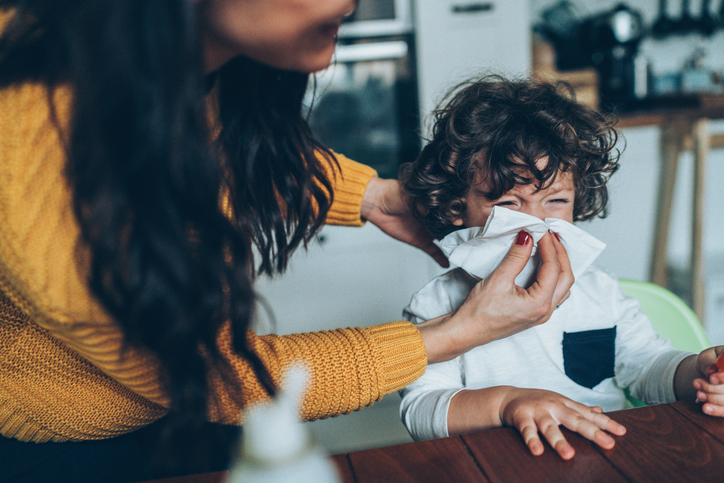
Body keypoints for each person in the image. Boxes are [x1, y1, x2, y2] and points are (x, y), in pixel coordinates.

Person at [0, 1, 575, 480]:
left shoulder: (183, 56)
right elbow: (218, 376)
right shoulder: (33, 157)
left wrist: (372, 197)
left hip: (195, 417)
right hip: (67, 450)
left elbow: (229, 153)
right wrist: (456, 332)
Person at [397, 75, 724, 461]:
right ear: (456, 206)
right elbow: (421, 408)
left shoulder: (598, 291)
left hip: (607, 456)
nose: (535, 226)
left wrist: (698, 374)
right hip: (496, 465)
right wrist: (506, 404)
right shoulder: (436, 306)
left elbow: (647, 367)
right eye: (508, 205)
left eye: (555, 201)